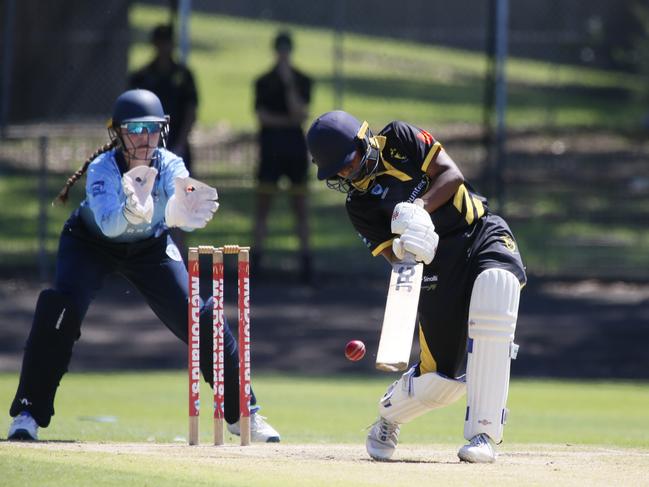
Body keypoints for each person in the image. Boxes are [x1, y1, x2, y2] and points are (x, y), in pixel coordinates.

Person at [6, 89, 280, 443]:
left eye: (152, 128)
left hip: (149, 246)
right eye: (135, 128)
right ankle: (29, 413)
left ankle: (243, 414)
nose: (144, 137)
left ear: (162, 131)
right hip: (90, 244)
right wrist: (130, 212)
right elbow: (107, 225)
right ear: (117, 132)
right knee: (59, 310)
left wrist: (176, 210)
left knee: (201, 316)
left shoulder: (168, 162)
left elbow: (178, 188)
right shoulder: (103, 169)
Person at [306, 111, 526, 463]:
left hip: (478, 231)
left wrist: (418, 209)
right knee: (441, 381)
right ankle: (390, 415)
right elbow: (394, 259)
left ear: (364, 141)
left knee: (496, 288)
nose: (349, 174)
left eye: (350, 163)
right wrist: (407, 246)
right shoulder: (359, 205)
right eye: (340, 173)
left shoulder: (399, 138)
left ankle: (483, 434)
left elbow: (452, 174)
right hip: (436, 266)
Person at [129, 23, 199, 257]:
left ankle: (179, 256)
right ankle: (146, 256)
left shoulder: (183, 75)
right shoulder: (142, 76)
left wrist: (180, 142)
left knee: (181, 202)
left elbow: (191, 110)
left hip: (177, 148)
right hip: (147, 150)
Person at [253, 31, 313, 283]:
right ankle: (256, 260)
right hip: (271, 148)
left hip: (295, 149)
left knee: (299, 207)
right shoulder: (263, 81)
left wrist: (289, 84)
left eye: (286, 49)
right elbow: (262, 116)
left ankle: (306, 261)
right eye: (280, 49)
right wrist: (288, 120)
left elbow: (300, 112)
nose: (283, 54)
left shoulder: (302, 80)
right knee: (263, 206)